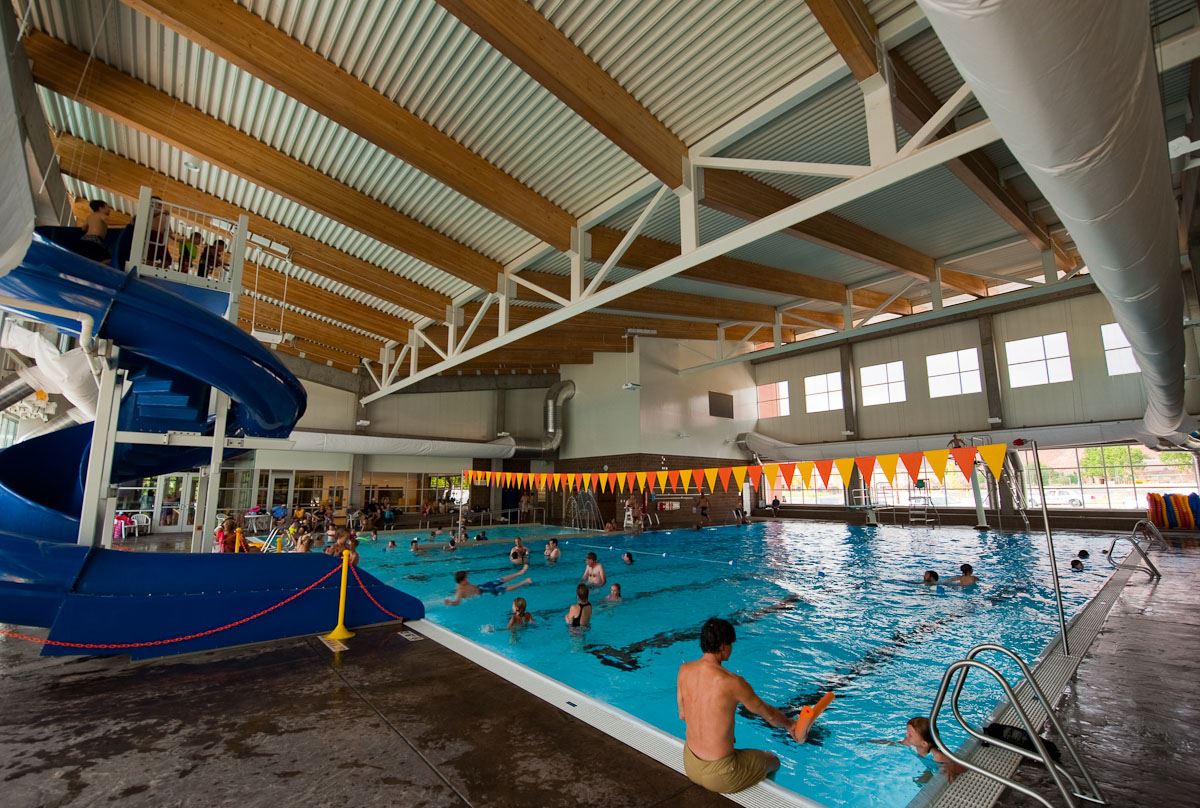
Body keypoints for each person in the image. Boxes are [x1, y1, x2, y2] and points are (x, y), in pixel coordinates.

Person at [677, 618, 826, 794]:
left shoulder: (685, 670)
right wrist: (790, 725)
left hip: (690, 763)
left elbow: (683, 715)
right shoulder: (732, 682)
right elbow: (768, 714)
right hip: (721, 775)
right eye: (731, 644)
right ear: (724, 646)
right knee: (772, 761)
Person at [902, 716, 965, 783]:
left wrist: (951, 768)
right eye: (907, 732)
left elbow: (959, 764)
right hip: (930, 767)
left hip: (938, 769)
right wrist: (889, 743)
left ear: (924, 744)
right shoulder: (909, 743)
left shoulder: (937, 756)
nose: (906, 735)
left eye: (910, 735)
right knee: (918, 782)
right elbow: (898, 743)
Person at [444, 565, 532, 605]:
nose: (468, 579)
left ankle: (519, 573)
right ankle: (524, 582)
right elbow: (457, 601)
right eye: (466, 578)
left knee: (499, 580)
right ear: (462, 581)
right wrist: (451, 602)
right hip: (485, 592)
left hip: (482, 587)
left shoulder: (464, 583)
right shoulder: (460, 590)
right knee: (503, 588)